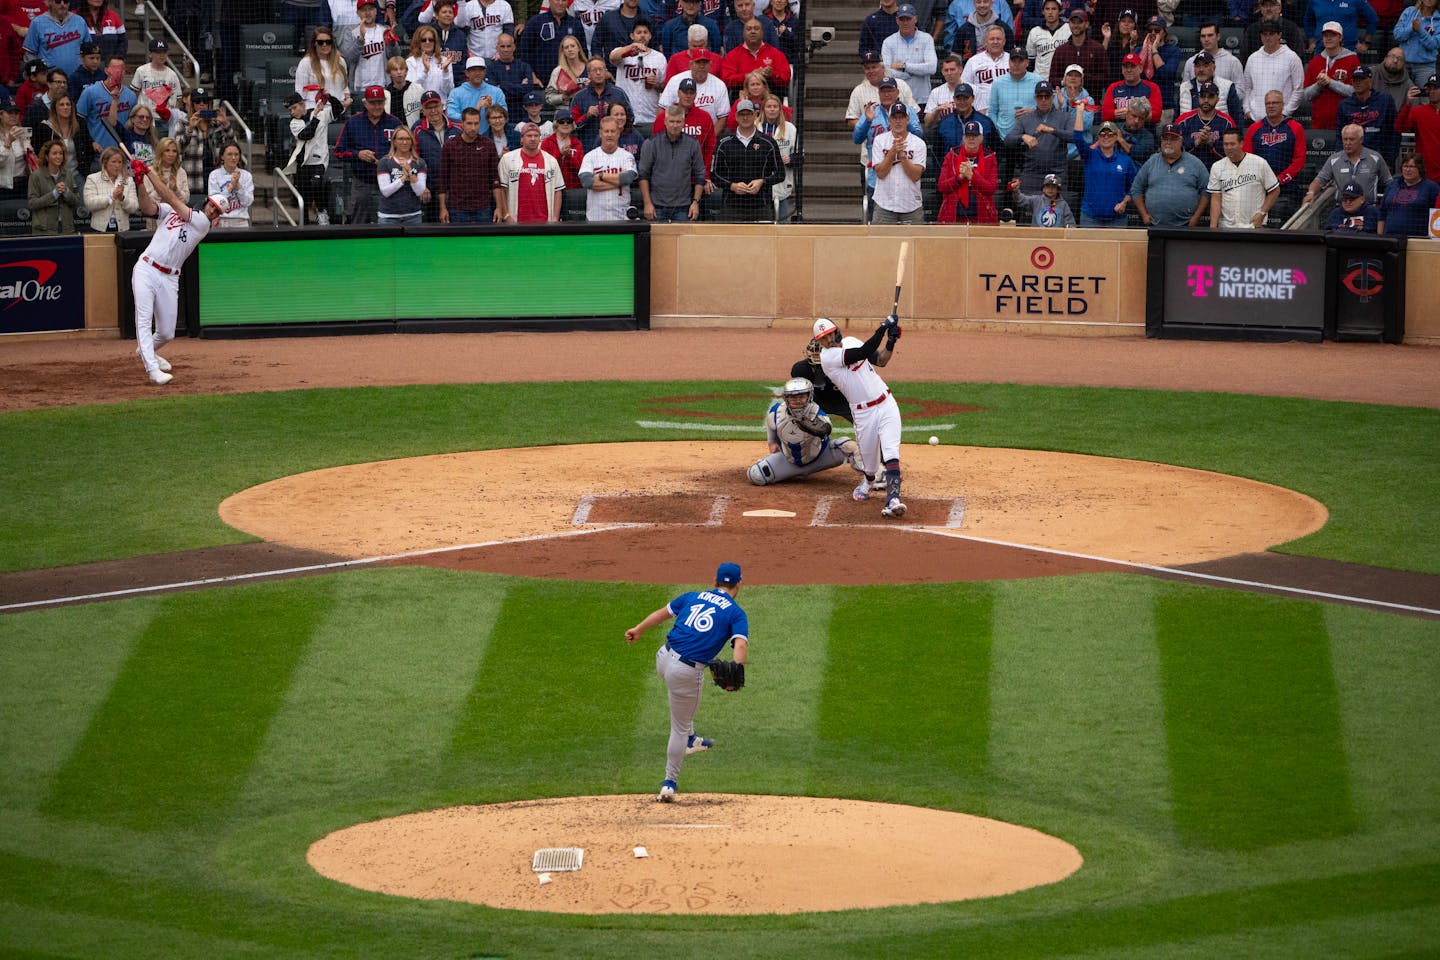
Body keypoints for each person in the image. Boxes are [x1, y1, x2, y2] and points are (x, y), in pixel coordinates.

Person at [624, 560, 749, 805]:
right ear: (739, 584)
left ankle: (692, 739)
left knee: (683, 714)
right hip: (685, 673)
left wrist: (638, 629)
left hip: (662, 658)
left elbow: (662, 614)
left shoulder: (692, 596)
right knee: (678, 727)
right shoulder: (736, 612)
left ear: (715, 581)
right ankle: (669, 782)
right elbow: (740, 645)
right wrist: (737, 670)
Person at [128, 160, 229, 385]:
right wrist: (140, 182)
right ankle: (152, 368)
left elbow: (171, 198)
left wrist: (149, 172)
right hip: (146, 267)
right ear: (206, 202)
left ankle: (146, 350)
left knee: (166, 333)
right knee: (144, 320)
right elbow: (148, 208)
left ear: (216, 217)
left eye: (216, 211)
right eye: (212, 205)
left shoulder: (202, 223)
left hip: (170, 276)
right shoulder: (174, 213)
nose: (212, 210)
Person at [814, 315, 907, 517]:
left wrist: (891, 341)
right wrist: (882, 328)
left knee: (891, 452)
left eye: (828, 335)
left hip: (886, 403)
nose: (827, 340)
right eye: (822, 338)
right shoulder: (827, 358)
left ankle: (893, 499)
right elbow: (863, 352)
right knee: (870, 464)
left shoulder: (851, 341)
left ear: (835, 331)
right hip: (863, 413)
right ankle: (868, 481)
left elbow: (881, 360)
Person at [746, 378, 865, 487]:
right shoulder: (776, 413)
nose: (797, 400)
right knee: (756, 475)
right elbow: (772, 443)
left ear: (809, 396)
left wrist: (816, 428)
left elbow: (826, 428)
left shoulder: (817, 413)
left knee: (849, 447)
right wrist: (774, 454)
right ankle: (791, 472)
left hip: (821, 457)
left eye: (802, 396)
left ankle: (873, 478)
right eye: (793, 397)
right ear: (786, 398)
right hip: (790, 462)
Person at [852, 77, 922, 221]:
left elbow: (918, 136)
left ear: (897, 92)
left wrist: (901, 122)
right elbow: (857, 139)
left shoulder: (908, 111)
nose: (887, 94)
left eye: (890, 90)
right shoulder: (872, 111)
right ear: (878, 93)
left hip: (905, 177)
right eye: (883, 91)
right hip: (877, 177)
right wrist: (867, 121)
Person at [334, 84, 402, 222]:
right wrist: (357, 154)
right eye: (373, 103)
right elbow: (338, 152)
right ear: (365, 103)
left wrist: (389, 160)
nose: (377, 106)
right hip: (362, 182)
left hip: (390, 182)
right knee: (358, 224)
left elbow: (406, 152)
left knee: (390, 222)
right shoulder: (353, 123)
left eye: (380, 102)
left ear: (385, 102)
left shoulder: (394, 123)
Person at [709, 97, 782, 220]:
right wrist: (732, 186)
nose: (745, 117)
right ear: (736, 117)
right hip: (732, 207)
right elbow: (714, 174)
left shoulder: (768, 143)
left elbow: (780, 173)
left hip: (761, 207)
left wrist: (762, 182)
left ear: (755, 115)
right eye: (741, 114)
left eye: (749, 114)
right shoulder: (724, 143)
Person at [638, 101, 706, 220]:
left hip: (684, 207)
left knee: (684, 239)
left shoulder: (693, 144)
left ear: (684, 123)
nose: (675, 125)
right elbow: (643, 175)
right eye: (671, 121)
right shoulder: (651, 144)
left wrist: (695, 202)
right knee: (657, 239)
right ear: (665, 122)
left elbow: (700, 174)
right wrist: (647, 203)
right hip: (656, 207)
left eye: (678, 122)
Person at [1243, 88, 1306, 216]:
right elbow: (1247, 158)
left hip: (1287, 188)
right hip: (1260, 187)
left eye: (1275, 103)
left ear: (1283, 105)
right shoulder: (1254, 128)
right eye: (1268, 103)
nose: (1271, 106)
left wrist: (1281, 179)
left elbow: (1299, 159)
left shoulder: (1295, 127)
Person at [1131, 121, 1209, 225]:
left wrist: (1195, 217)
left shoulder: (1195, 163)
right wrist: (1144, 215)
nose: (1168, 142)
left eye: (1173, 139)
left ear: (1181, 140)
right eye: (1165, 139)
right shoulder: (1152, 161)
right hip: (1155, 226)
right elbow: (1136, 188)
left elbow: (1207, 191)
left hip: (1186, 226)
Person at [438, 105, 503, 220]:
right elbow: (443, 180)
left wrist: (499, 207)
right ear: (462, 123)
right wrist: (443, 208)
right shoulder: (450, 145)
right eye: (469, 123)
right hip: (457, 208)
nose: (473, 127)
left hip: (483, 208)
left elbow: (495, 179)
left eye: (476, 123)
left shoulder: (488, 144)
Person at [285, 90, 340, 224]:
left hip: (320, 161)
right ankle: (304, 225)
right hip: (303, 163)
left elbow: (339, 109)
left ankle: (321, 212)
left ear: (302, 105)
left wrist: (330, 97)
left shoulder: (322, 112)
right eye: (289, 110)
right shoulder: (294, 123)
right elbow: (307, 134)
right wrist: (315, 117)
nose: (292, 112)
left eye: (294, 108)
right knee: (303, 195)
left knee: (317, 184)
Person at [1006, 78, 1072, 190]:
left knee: (1055, 207)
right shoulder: (1026, 119)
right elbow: (1008, 140)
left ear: (1053, 97)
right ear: (1035, 98)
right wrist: (1022, 136)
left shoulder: (1065, 116)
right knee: (1027, 205)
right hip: (1031, 173)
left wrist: (1052, 131)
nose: (1043, 100)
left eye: (1047, 96)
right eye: (1040, 97)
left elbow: (1074, 136)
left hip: (1056, 173)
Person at [1072, 113, 1135, 226]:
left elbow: (1134, 187)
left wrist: (1124, 202)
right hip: (1090, 218)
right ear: (1098, 137)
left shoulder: (1126, 161)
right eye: (1102, 134)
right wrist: (1079, 111)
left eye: (1110, 134)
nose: (1106, 137)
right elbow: (1077, 138)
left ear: (1116, 137)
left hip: (1117, 220)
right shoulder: (1089, 155)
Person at [1304, 122, 1392, 204]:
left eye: (1351, 139)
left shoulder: (1375, 158)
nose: (1347, 143)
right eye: (1345, 139)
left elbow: (1389, 182)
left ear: (1361, 140)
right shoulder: (1334, 159)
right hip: (1342, 208)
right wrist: (1311, 193)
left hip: (1368, 208)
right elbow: (1319, 180)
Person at [868, 100, 926, 223]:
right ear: (889, 120)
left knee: (914, 242)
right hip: (884, 204)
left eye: (901, 117)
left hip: (911, 205)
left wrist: (902, 156)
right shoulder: (879, 141)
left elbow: (915, 176)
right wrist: (892, 152)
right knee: (881, 242)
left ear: (907, 119)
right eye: (895, 117)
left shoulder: (918, 143)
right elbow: (880, 173)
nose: (898, 121)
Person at [1208, 127, 1279, 226]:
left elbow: (1275, 190)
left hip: (1253, 226)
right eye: (1226, 144)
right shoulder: (1217, 166)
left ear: (1241, 143)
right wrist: (1213, 227)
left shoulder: (1259, 163)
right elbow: (1216, 198)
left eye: (1232, 144)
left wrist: (1262, 213)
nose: (1228, 148)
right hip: (1226, 228)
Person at [1301, 20, 1360, 130]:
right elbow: (1306, 95)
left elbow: (1356, 92)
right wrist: (1318, 85)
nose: (1328, 38)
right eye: (1325, 35)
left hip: (1346, 122)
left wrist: (1330, 83)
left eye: (1332, 35)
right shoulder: (1315, 62)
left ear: (1340, 38)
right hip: (1320, 121)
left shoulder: (1352, 60)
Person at [1241, 20, 1304, 121]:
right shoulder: (1252, 58)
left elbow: (1298, 89)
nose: (1268, 37)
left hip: (1282, 120)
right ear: (1260, 36)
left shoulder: (1292, 57)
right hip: (1255, 119)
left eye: (1271, 33)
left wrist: (1285, 113)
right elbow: (1247, 87)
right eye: (1264, 34)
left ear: (1279, 35)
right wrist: (1247, 110)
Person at [938, 118, 998, 222]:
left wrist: (972, 176)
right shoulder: (951, 156)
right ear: (964, 138)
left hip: (982, 216)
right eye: (968, 136)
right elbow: (942, 187)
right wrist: (959, 178)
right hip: (954, 216)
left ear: (981, 138)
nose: (971, 139)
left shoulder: (990, 157)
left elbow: (991, 189)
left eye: (975, 136)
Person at [1337, 66, 1399, 165]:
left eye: (1361, 79)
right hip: (1353, 158)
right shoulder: (1344, 105)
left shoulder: (1385, 100)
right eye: (1355, 80)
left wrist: (1389, 159)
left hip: (1380, 157)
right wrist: (1342, 159)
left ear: (1370, 81)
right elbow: (1340, 135)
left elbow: (1393, 131)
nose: (1357, 82)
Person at [579, 114, 637, 219]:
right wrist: (619, 182)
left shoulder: (627, 156)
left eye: (613, 131)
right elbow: (587, 182)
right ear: (600, 133)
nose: (609, 135)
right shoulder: (590, 156)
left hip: (621, 217)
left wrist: (601, 176)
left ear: (618, 133)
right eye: (606, 131)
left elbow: (628, 178)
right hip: (595, 218)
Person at [610, 18, 666, 125]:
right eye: (639, 32)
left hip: (650, 116)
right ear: (632, 36)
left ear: (650, 36)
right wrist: (631, 47)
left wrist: (656, 83)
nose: (642, 35)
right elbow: (612, 57)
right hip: (625, 118)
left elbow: (664, 88)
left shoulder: (659, 57)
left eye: (645, 32)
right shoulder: (623, 53)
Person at [75, 55, 135, 152]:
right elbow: (79, 121)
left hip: (122, 153)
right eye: (114, 68)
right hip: (98, 152)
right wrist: (90, 142)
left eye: (121, 69)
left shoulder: (131, 96)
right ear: (106, 70)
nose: (118, 72)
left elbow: (132, 125)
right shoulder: (90, 92)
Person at [518, 0, 587, 84]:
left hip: (571, 83)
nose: (560, 3)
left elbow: (583, 53)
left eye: (564, 0)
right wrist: (532, 76)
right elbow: (524, 52)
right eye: (557, 0)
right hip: (541, 84)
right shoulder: (535, 22)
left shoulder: (575, 24)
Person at [571, 55, 632, 149]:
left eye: (601, 69)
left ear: (606, 71)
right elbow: (571, 126)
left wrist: (613, 114)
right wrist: (587, 116)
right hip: (588, 148)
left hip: (616, 147)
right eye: (594, 70)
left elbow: (631, 118)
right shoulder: (579, 97)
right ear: (588, 74)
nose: (598, 73)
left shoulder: (619, 93)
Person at [374, 123, 429, 222]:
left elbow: (420, 191)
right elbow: (386, 191)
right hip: (388, 217)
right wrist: (403, 177)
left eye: (408, 139)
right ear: (394, 141)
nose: (404, 142)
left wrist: (410, 172)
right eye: (401, 139)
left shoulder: (420, 162)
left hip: (413, 216)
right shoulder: (385, 162)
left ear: (412, 141)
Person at [1175, 80, 1236, 167]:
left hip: (1220, 170)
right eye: (1203, 96)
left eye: (1210, 96)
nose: (1206, 100)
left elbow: (1234, 152)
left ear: (1217, 99)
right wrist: (1196, 142)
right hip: (1188, 169)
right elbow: (1175, 149)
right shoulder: (1184, 120)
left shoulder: (1227, 122)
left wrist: (1212, 143)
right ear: (1198, 98)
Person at [659, 49, 729, 123]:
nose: (702, 66)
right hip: (678, 131)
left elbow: (723, 118)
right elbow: (663, 109)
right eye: (698, 62)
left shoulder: (719, 85)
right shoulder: (675, 81)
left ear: (710, 65)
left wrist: (711, 134)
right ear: (691, 64)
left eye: (705, 63)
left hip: (708, 130)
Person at [23, 0, 91, 76]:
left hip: (77, 78)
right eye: (58, 1)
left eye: (66, 1)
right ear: (49, 2)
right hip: (49, 80)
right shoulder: (37, 22)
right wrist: (38, 74)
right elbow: (30, 54)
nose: (62, 4)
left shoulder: (80, 21)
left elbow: (88, 50)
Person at [1378, 151, 1440, 233]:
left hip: (1418, 238)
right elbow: (1382, 212)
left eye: (1411, 167)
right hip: (1391, 237)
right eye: (1405, 166)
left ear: (1420, 168)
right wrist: (1380, 236)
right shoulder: (1392, 185)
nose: (1407, 170)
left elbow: (1437, 215)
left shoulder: (1431, 187)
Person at [28, 138, 80, 233]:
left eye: (61, 153)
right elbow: (32, 204)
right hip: (44, 229)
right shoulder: (36, 176)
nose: (58, 156)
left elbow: (76, 201)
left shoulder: (68, 175)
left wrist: (66, 192)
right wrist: (54, 194)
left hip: (66, 228)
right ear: (47, 156)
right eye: (54, 153)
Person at [130, 38, 182, 132]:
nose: (162, 55)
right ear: (150, 53)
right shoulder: (141, 71)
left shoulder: (172, 75)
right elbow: (134, 95)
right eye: (158, 52)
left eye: (164, 52)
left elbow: (178, 99)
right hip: (146, 119)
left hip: (166, 120)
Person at [339, 0, 392, 94]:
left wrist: (393, 43)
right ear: (358, 13)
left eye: (370, 9)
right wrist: (360, 40)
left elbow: (394, 56)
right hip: (360, 88)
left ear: (376, 11)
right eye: (363, 10)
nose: (367, 13)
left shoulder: (385, 30)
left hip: (383, 85)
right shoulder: (352, 32)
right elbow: (349, 58)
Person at [758, 91, 796, 221]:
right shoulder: (755, 127)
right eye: (769, 106)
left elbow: (800, 155)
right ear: (763, 109)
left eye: (775, 106)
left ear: (780, 109)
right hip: (759, 181)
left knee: (783, 223)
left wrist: (791, 159)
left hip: (782, 181)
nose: (772, 109)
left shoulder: (790, 128)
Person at [542, 108, 586, 217]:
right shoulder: (547, 142)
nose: (565, 124)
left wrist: (568, 158)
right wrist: (560, 155)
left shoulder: (577, 143)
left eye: (569, 121)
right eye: (562, 121)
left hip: (573, 190)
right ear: (556, 124)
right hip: (552, 189)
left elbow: (581, 169)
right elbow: (545, 166)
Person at [1048, 9, 1108, 89]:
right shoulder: (1061, 50)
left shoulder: (1097, 49)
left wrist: (1083, 79)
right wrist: (1065, 81)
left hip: (1092, 99)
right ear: (1069, 24)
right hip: (1066, 99)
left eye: (1080, 22)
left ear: (1086, 24)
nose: (1076, 25)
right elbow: (1052, 80)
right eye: (1073, 22)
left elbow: (1106, 78)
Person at [82, 145, 136, 231]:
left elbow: (134, 207)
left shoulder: (129, 180)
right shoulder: (92, 178)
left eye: (120, 162)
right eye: (113, 162)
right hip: (99, 229)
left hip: (123, 230)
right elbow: (89, 203)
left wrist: (122, 198)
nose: (117, 165)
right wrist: (111, 197)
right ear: (105, 162)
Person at [1397, 74, 1440, 183]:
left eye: (1436, 88)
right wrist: (1408, 104)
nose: (1432, 91)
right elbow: (1399, 127)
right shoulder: (1418, 111)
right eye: (1429, 88)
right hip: (1425, 172)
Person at [296, 27, 352, 110]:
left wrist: (348, 99)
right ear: (314, 43)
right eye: (320, 42)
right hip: (314, 110)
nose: (324, 45)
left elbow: (344, 87)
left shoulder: (340, 61)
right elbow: (300, 90)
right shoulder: (306, 62)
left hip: (338, 109)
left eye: (328, 42)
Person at [960, 24, 1010, 112]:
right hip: (981, 112)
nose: (995, 42)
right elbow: (964, 86)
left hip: (1008, 111)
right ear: (985, 42)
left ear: (1004, 41)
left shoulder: (1012, 60)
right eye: (992, 39)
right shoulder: (973, 61)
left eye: (998, 39)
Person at [1180, 51, 1244, 119]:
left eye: (1205, 65)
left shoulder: (1227, 87)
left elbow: (1237, 117)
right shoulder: (1184, 87)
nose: (1201, 69)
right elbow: (1177, 119)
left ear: (1214, 67)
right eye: (1198, 66)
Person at [1101, 50, 1162, 121]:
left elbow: (1156, 115)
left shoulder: (1152, 87)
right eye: (1125, 67)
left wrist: (1131, 114)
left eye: (1133, 66)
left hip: (1145, 129)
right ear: (1122, 69)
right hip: (1118, 129)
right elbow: (1105, 115)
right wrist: (1114, 114)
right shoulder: (1113, 87)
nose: (1129, 70)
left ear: (1140, 68)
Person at [39, 92, 89, 176]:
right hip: (53, 177)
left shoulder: (80, 126)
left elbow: (87, 149)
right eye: (61, 105)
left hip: (77, 175)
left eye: (68, 104)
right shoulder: (45, 127)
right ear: (55, 108)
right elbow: (41, 155)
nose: (65, 107)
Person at [206, 141, 254, 228]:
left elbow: (248, 202)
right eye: (229, 154)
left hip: (241, 221)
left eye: (236, 154)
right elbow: (214, 202)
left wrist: (238, 185)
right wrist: (231, 187)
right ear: (222, 157)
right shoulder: (214, 175)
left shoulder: (246, 175)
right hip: (220, 220)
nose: (233, 157)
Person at [1394, 0, 1439, 90]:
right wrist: (1411, 28)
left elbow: (1433, 45)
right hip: (1403, 65)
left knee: (1424, 99)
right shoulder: (1409, 11)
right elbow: (1397, 35)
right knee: (1401, 98)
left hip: (1425, 67)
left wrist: (1420, 30)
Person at [1302, 0, 1378, 53]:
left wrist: (1366, 43)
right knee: (1319, 76)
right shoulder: (1314, 1)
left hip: (1348, 49)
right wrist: (1311, 41)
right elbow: (1308, 20)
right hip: (1321, 49)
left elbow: (1373, 19)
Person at [447, 54, 507, 121]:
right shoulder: (456, 93)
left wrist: (491, 108)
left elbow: (504, 114)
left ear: (484, 72)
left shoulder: (496, 92)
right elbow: (451, 114)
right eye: (474, 70)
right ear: (467, 73)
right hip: (464, 131)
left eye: (480, 70)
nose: (477, 73)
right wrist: (475, 112)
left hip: (489, 131)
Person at [1182, 21, 1244, 86]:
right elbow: (1185, 89)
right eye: (1203, 36)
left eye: (1210, 35)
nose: (1206, 39)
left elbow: (1240, 89)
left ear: (1218, 36)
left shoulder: (1232, 62)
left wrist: (1219, 96)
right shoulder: (1191, 62)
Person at [1027, 0, 1071, 86]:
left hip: (1063, 82)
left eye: (1054, 9)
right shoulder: (1034, 32)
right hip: (1039, 82)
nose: (1050, 12)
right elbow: (1030, 61)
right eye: (1047, 9)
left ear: (1060, 11)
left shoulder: (1069, 29)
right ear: (1043, 11)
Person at [407, 24, 457, 98]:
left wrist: (445, 71)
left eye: (431, 40)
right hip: (420, 107)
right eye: (424, 40)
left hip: (441, 106)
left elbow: (449, 90)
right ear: (418, 42)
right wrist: (425, 71)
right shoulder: (411, 61)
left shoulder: (444, 60)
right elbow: (410, 89)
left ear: (435, 42)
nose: (428, 42)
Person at [1241, 0, 1306, 57]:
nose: (1268, 8)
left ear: (1279, 8)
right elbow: (1244, 56)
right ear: (1261, 9)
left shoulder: (1291, 28)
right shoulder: (1252, 29)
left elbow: (1299, 55)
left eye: (1272, 5)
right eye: (1265, 5)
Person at [1010, 170, 1077, 224]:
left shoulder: (1063, 204)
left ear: (1058, 190)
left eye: (1053, 187)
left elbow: (1070, 223)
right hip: (1037, 237)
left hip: (1056, 238)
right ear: (1043, 189)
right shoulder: (1036, 200)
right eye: (1048, 187)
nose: (1050, 189)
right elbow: (1021, 200)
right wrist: (1016, 191)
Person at [544, 33, 588, 109]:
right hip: (565, 115)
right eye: (566, 47)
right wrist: (564, 97)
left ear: (578, 48)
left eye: (572, 46)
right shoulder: (558, 71)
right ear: (563, 52)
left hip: (587, 110)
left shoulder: (590, 68)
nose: (570, 49)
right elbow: (549, 97)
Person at [1117, 97, 1156, 166]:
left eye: (1141, 118)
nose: (1136, 121)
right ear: (1127, 114)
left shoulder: (1148, 137)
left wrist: (1121, 140)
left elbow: (1137, 153)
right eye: (1134, 116)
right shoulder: (1114, 128)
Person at [122, 102, 160, 166]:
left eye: (148, 117)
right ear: (132, 119)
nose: (145, 120)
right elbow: (113, 123)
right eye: (141, 117)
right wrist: (115, 100)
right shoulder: (125, 136)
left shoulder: (154, 139)